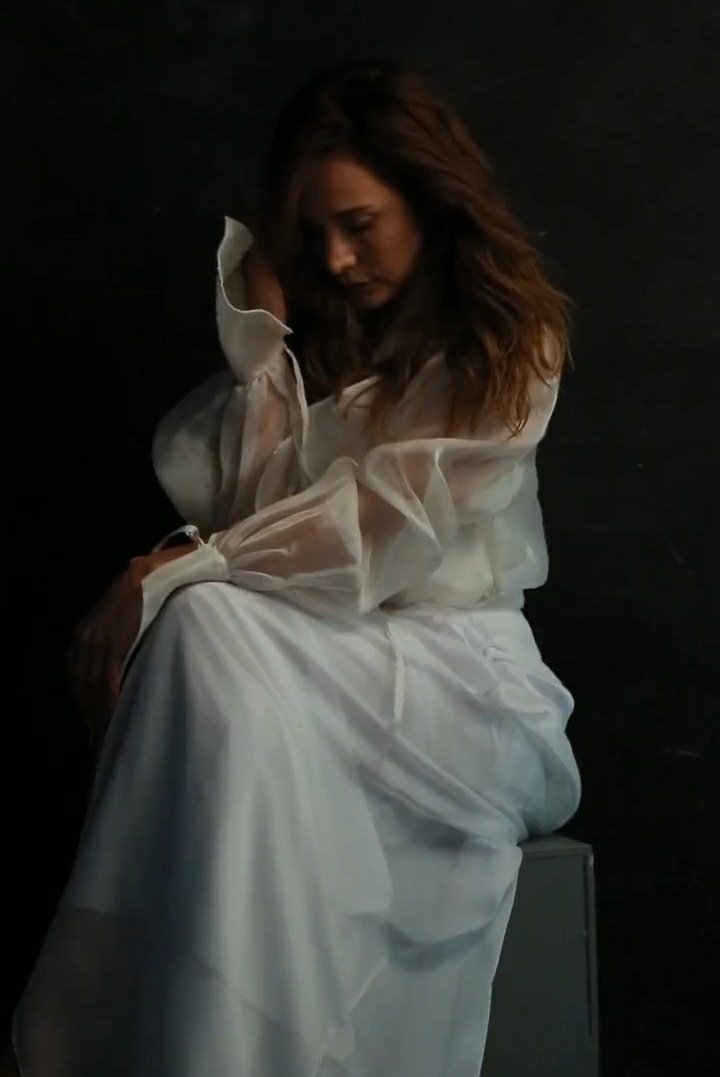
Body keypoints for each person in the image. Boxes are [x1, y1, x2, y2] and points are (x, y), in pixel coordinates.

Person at [6, 58, 582, 1077]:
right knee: (205, 630)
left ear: (429, 199)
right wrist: (265, 351)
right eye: (315, 234)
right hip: (314, 648)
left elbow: (373, 533)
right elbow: (255, 527)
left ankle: (93, 1043)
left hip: (462, 678)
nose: (338, 257)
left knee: (201, 619)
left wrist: (166, 573)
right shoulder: (319, 332)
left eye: (360, 223)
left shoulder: (512, 342)